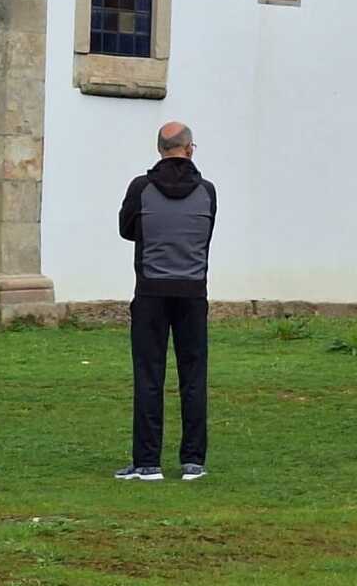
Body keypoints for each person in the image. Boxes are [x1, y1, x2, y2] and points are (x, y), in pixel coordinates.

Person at [114, 122, 217, 483]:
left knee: (149, 376)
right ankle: (193, 461)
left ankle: (147, 463)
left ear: (160, 149)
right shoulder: (207, 191)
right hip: (193, 292)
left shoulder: (141, 188)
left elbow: (126, 229)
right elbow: (206, 234)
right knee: (193, 376)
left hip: (150, 292)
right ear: (189, 149)